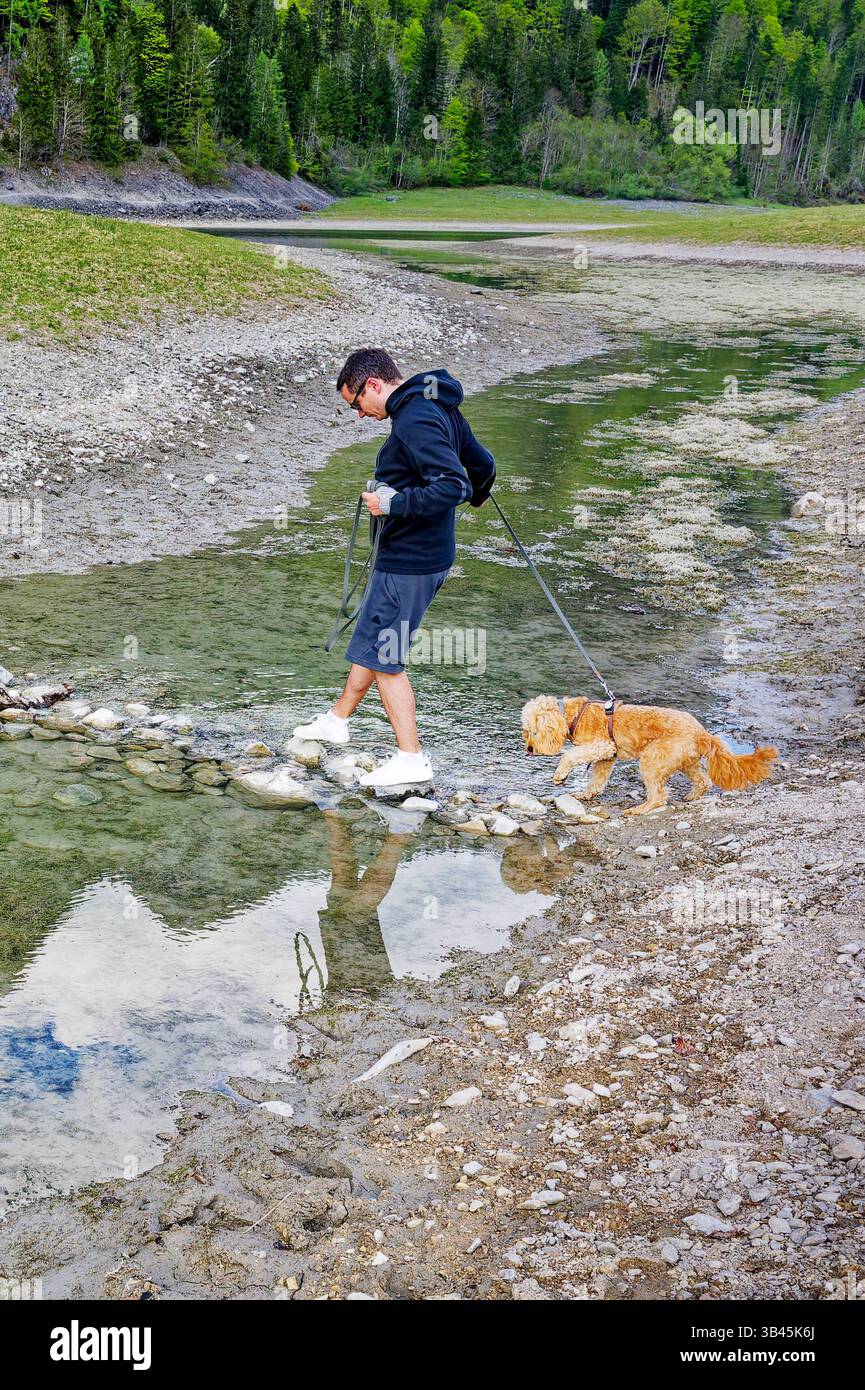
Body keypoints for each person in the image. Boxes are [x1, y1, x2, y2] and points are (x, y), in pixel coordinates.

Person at [294, 347, 495, 789]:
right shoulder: (436, 401)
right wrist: (473, 493)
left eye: (356, 404)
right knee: (372, 636)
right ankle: (336, 720)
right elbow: (482, 466)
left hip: (411, 562)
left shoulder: (415, 417)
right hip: (421, 555)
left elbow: (453, 484)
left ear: (372, 385)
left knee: (387, 656)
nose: (360, 415)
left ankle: (411, 758)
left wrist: (392, 502)